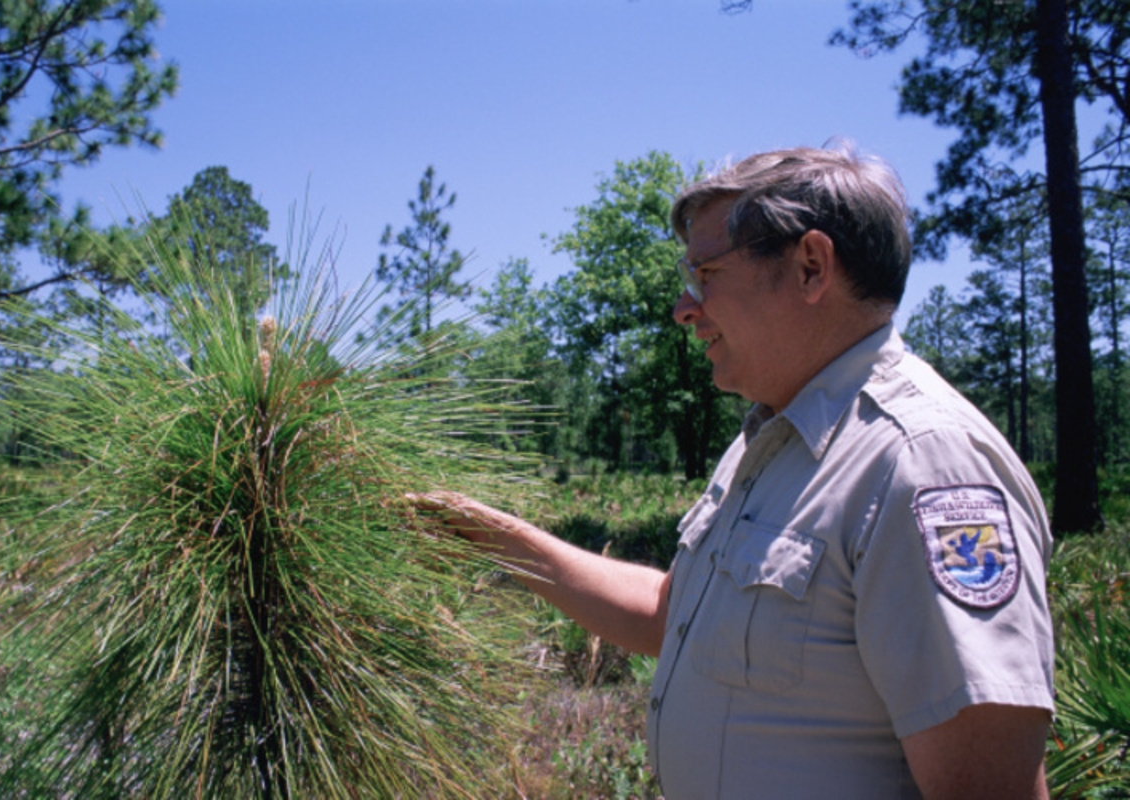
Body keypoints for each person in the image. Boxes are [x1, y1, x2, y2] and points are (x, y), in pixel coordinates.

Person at [414, 145, 1054, 799]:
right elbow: (669, 613)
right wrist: (499, 539)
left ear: (810, 267)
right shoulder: (771, 437)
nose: (683, 308)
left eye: (706, 274)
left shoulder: (923, 462)